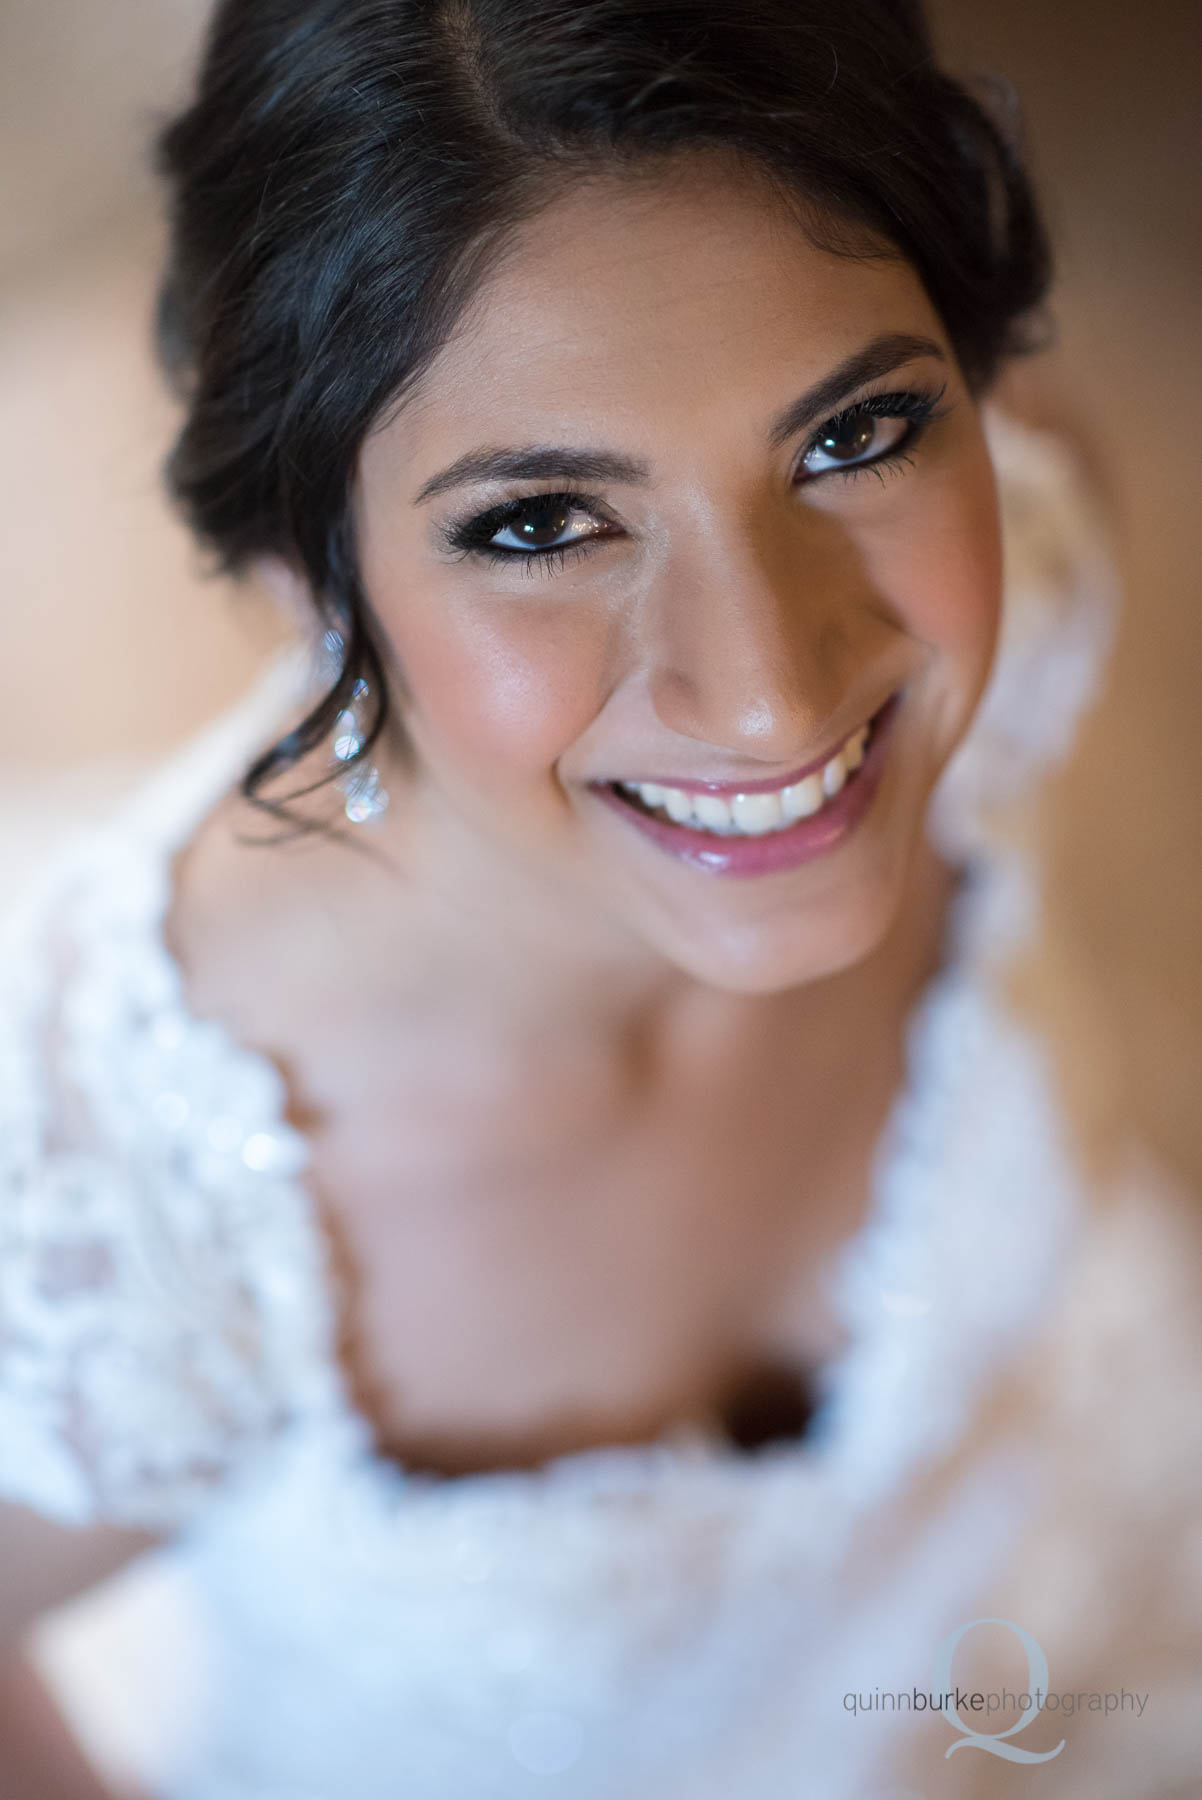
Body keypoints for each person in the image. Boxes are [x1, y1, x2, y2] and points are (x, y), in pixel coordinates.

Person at [2, 1, 1200, 1795]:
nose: (776, 694)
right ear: (294, 572)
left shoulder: (1025, 558)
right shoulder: (109, 1195)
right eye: (541, 525)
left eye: (854, 432)